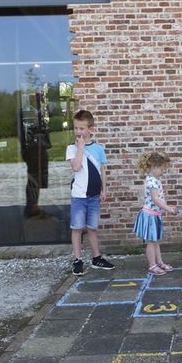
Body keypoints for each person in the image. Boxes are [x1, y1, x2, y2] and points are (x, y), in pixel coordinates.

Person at [66, 110, 115, 275]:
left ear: (91, 129)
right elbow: (76, 166)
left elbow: (102, 169)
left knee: (92, 228)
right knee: (77, 228)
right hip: (79, 197)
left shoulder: (98, 148)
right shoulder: (72, 148)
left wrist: (104, 188)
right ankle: (78, 260)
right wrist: (80, 148)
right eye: (76, 128)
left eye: (82, 128)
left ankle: (96, 258)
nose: (78, 132)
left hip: (94, 196)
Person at [134, 151, 177, 275]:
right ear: (153, 166)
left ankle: (159, 262)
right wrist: (168, 209)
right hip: (150, 216)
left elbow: (160, 199)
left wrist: (168, 206)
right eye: (161, 168)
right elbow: (156, 199)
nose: (163, 171)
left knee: (156, 241)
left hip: (155, 215)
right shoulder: (152, 181)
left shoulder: (155, 179)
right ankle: (152, 265)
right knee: (151, 242)